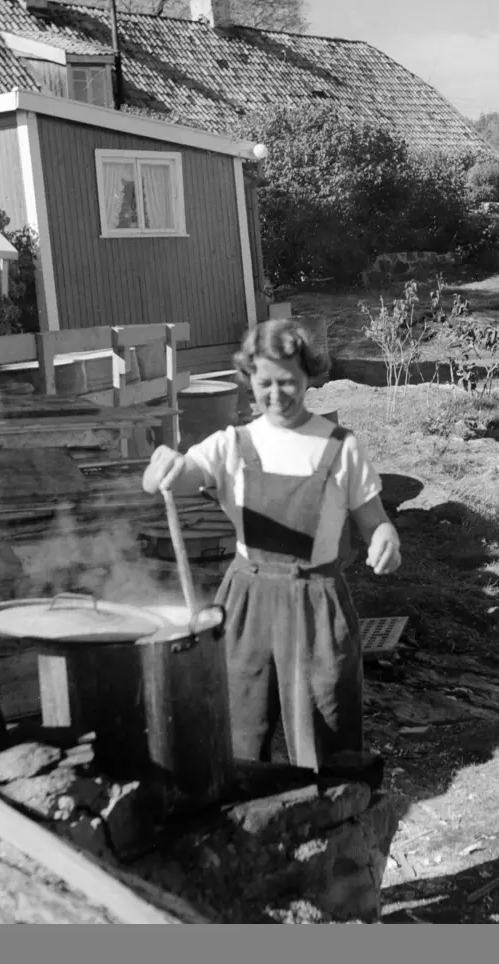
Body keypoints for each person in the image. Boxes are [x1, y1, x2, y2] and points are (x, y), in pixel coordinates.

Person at [141, 318, 402, 771]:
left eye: (288, 382)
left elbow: (375, 522)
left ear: (309, 378)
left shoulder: (341, 447)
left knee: (327, 733)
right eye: (265, 383)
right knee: (237, 731)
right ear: (248, 379)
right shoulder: (231, 445)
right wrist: (163, 465)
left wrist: (386, 540)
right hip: (246, 602)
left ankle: (335, 816)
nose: (276, 394)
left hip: (317, 605)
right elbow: (181, 475)